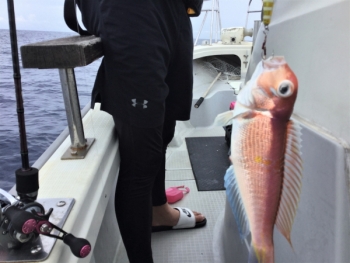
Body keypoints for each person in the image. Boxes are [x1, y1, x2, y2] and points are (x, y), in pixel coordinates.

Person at [76, 1, 206, 262]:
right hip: (130, 11)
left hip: (175, 13)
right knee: (141, 161)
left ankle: (158, 212)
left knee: (165, 130)